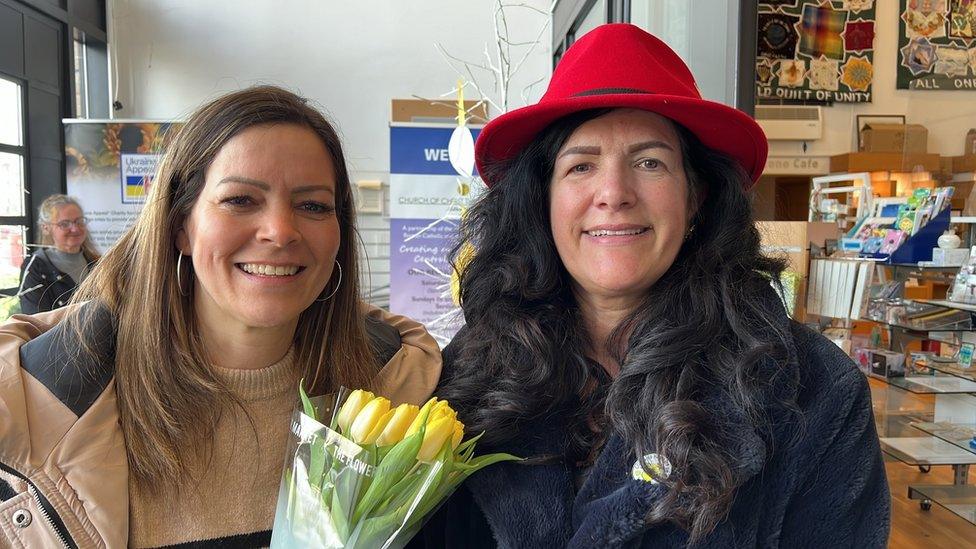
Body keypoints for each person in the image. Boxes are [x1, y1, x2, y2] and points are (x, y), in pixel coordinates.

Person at [423, 24, 889, 548]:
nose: (614, 193)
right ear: (541, 200)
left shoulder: (813, 392)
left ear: (697, 199)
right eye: (581, 165)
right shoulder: (465, 380)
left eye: (650, 162)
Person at [0, 86, 441, 547]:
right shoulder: (44, 402)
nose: (280, 232)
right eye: (241, 200)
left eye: (313, 205)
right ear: (180, 225)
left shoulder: (399, 388)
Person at [18, 194, 100, 314]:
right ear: (46, 228)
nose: (75, 229)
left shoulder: (97, 262)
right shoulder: (35, 267)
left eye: (79, 221)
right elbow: (36, 321)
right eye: (64, 224)